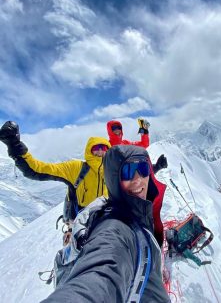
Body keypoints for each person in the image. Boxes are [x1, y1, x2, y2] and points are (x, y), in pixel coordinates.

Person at [42, 145, 171, 303]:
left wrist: (155, 166)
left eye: (143, 169)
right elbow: (99, 277)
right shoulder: (116, 229)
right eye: (128, 171)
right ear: (113, 177)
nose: (138, 179)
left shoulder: (137, 209)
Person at [0, 121, 111, 243]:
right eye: (96, 148)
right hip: (79, 229)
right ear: (89, 150)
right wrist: (15, 146)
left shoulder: (114, 172)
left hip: (105, 225)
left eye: (104, 148)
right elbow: (38, 169)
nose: (100, 151)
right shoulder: (76, 168)